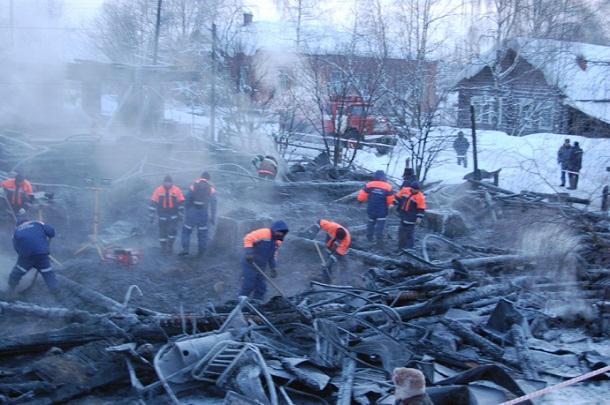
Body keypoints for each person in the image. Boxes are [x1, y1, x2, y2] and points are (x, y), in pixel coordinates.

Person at [8, 209, 58, 295]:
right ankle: (56, 292)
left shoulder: (16, 231)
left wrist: (24, 257)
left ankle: (10, 290)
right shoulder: (38, 223)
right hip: (42, 254)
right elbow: (51, 232)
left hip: (26, 255)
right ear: (28, 221)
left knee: (16, 273)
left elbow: (16, 247)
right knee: (48, 273)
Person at [239, 220, 289, 301]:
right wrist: (249, 253)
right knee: (248, 284)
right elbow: (248, 238)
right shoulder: (264, 233)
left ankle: (257, 302)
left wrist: (273, 267)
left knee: (261, 287)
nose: (280, 234)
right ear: (274, 229)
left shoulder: (277, 241)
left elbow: (272, 255)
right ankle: (241, 301)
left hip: (261, 266)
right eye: (279, 232)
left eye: (282, 233)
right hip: (250, 263)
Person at [179, 172, 217, 257]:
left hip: (192, 212)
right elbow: (213, 203)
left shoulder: (193, 185)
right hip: (203, 213)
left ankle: (185, 249)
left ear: (201, 177)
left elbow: (187, 198)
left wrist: (186, 211)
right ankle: (201, 252)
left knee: (186, 231)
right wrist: (213, 217)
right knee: (202, 233)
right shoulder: (211, 188)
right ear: (208, 179)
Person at [149, 175, 185, 254]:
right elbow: (153, 203)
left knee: (172, 232)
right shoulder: (158, 190)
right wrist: (151, 216)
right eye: (166, 182)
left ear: (172, 182)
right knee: (162, 232)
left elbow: (181, 202)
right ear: (163, 182)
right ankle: (163, 247)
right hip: (162, 216)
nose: (167, 184)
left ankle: (170, 247)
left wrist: (181, 214)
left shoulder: (176, 190)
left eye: (169, 182)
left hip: (173, 216)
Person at [357, 170, 394, 246]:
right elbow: (390, 201)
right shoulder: (388, 186)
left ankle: (369, 238)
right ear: (383, 177)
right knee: (380, 225)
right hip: (382, 210)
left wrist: (360, 201)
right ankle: (379, 240)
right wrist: (391, 205)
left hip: (371, 209)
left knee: (371, 223)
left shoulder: (369, 185)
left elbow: (361, 196)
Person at [395, 181, 426, 250]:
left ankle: (409, 249)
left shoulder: (420, 197)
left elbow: (421, 208)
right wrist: (394, 203)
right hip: (403, 215)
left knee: (409, 234)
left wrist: (419, 217)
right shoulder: (404, 190)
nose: (415, 190)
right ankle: (400, 248)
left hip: (411, 217)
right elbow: (397, 197)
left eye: (417, 189)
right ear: (411, 188)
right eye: (414, 189)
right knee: (401, 233)